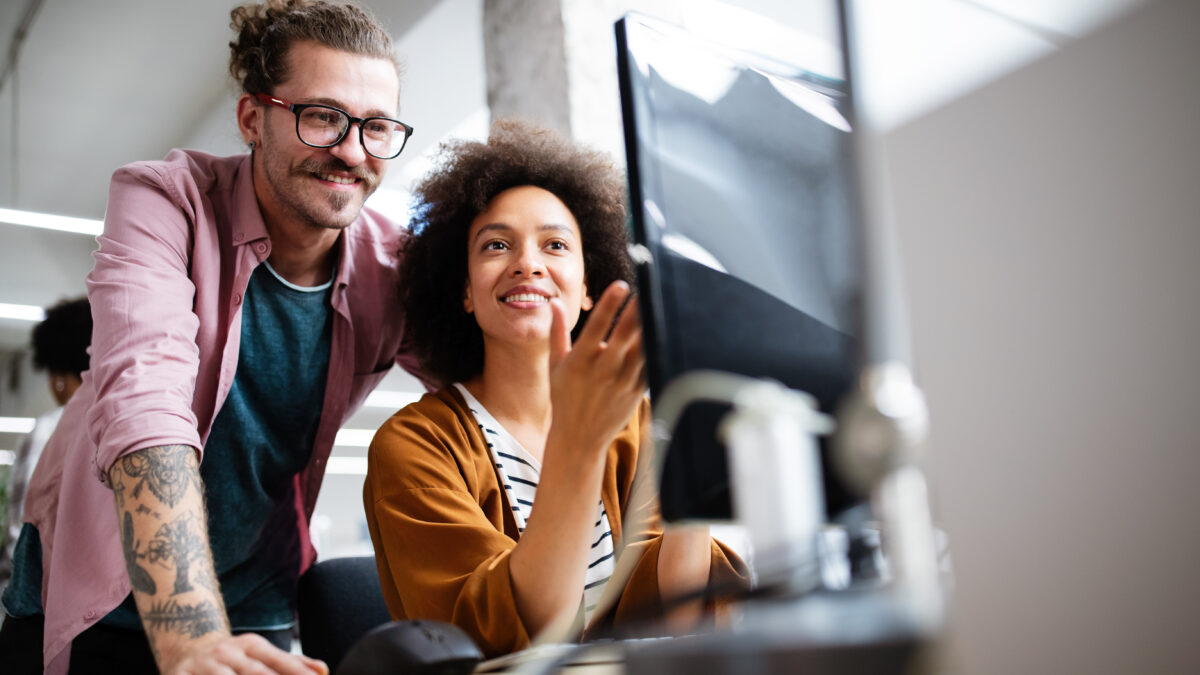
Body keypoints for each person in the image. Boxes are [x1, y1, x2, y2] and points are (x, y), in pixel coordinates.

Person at [0, 1, 424, 673]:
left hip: (259, 606)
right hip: (103, 604)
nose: (352, 150)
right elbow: (145, 399)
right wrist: (192, 633)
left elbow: (492, 386)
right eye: (322, 116)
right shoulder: (164, 200)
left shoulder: (393, 267)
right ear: (253, 118)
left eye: (376, 127)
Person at [364, 120, 747, 659]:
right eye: (497, 245)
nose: (527, 263)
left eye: (555, 244)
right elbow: (509, 637)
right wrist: (578, 440)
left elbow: (677, 613)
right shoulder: (414, 446)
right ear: (466, 291)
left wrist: (693, 443)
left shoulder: (637, 423)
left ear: (587, 285)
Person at [0, 297, 92, 592]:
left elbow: (25, 523)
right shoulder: (113, 423)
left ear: (58, 376)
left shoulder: (50, 428)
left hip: (37, 598)